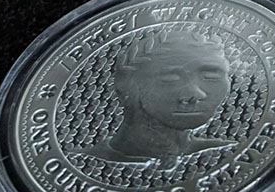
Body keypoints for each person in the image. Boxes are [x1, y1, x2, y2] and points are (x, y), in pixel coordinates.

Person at [91, 26, 233, 162]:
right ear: (125, 87)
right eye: (170, 78)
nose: (196, 93)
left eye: (210, 76)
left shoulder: (226, 153)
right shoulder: (89, 161)